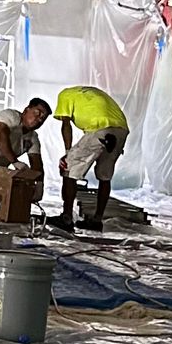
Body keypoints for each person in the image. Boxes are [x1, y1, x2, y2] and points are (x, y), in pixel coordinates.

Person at [53, 82, 129, 234]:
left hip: (99, 128)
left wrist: (68, 152)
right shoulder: (90, 93)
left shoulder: (65, 95)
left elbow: (66, 125)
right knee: (105, 176)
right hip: (120, 129)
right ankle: (97, 220)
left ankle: (66, 218)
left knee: (69, 168)